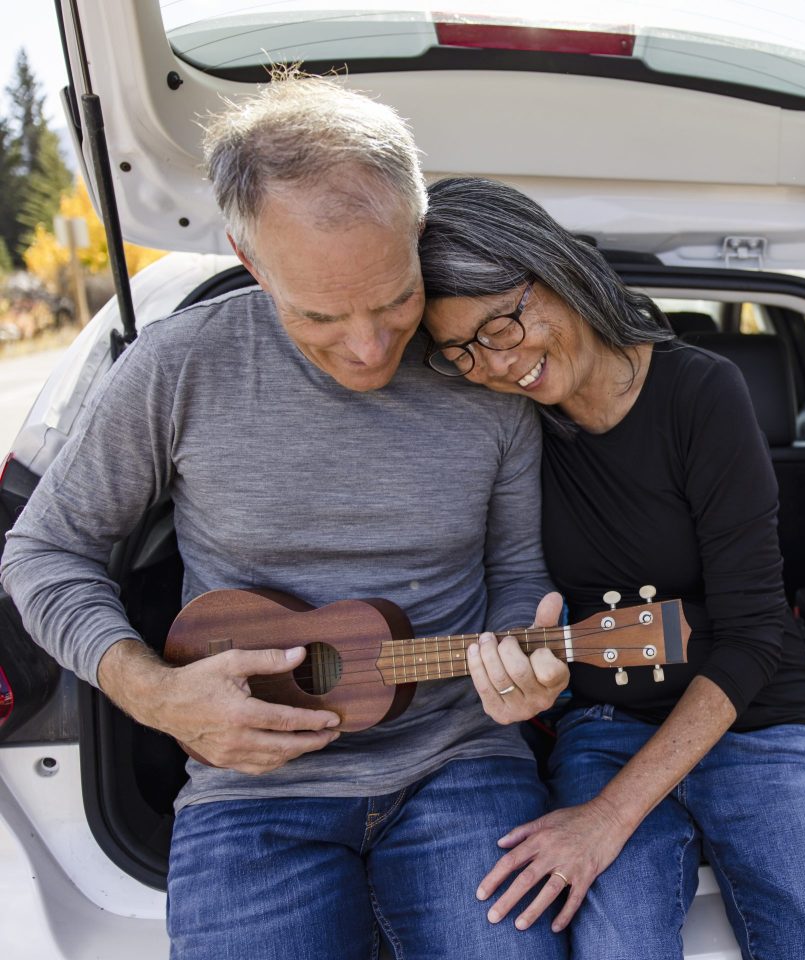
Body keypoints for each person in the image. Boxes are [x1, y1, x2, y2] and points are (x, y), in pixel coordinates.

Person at [0, 79, 570, 960]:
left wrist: (525, 669)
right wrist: (153, 693)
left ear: (417, 230)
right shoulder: (176, 367)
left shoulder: (485, 379)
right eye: (319, 315)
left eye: (394, 301)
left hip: (459, 768)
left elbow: (518, 578)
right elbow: (43, 552)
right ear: (249, 257)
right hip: (249, 794)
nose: (369, 347)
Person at [416, 176, 805, 960]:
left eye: (499, 325)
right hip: (604, 723)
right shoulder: (506, 427)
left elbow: (756, 633)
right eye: (461, 351)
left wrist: (607, 818)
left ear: (552, 269)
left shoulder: (700, 393)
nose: (495, 364)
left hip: (757, 715)